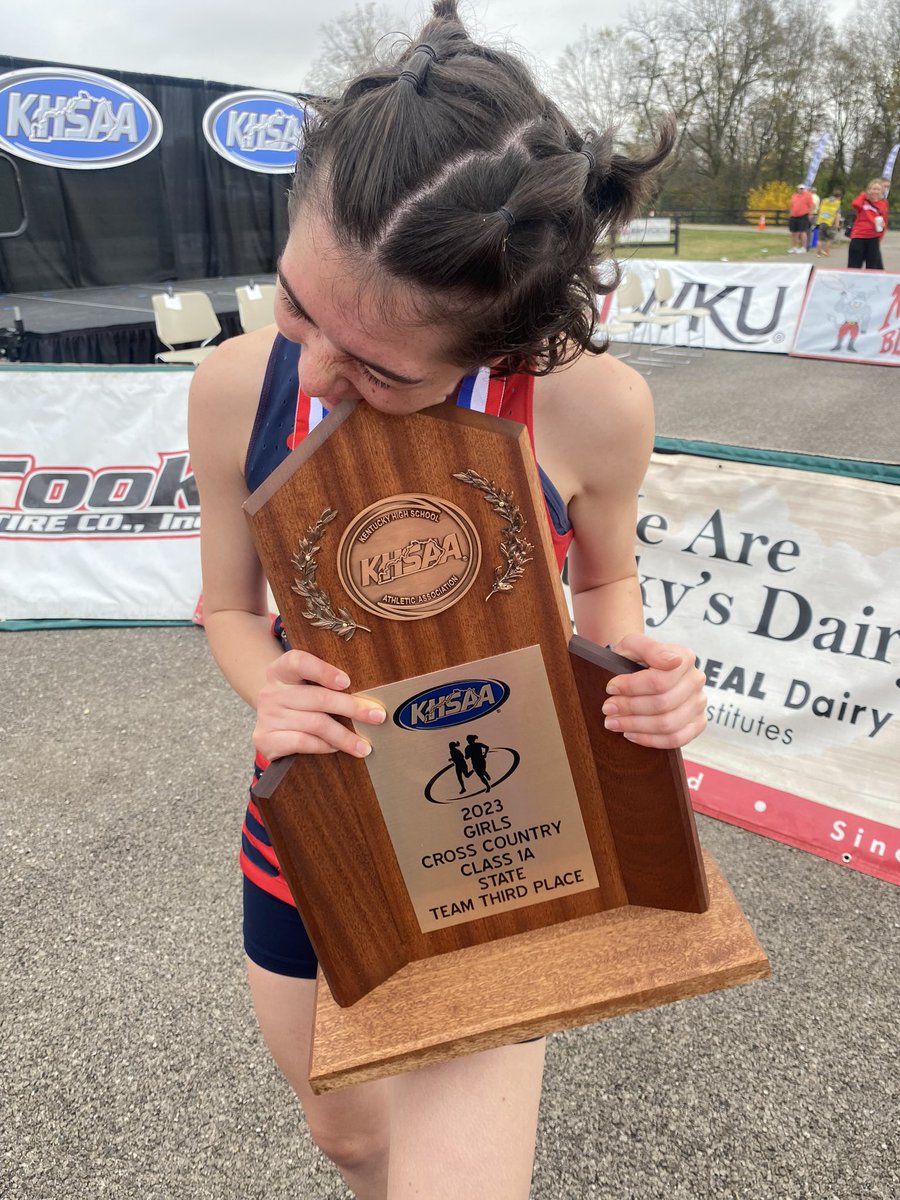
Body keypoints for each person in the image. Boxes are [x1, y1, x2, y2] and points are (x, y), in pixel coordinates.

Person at [188, 3, 708, 1196]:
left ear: (506, 341)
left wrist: (640, 681)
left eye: (379, 369)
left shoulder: (592, 409)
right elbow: (225, 609)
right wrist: (276, 685)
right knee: (349, 1141)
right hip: (311, 834)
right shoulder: (233, 390)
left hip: (505, 846)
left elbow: (607, 584)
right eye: (298, 304)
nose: (318, 367)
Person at [847, 179, 888, 270]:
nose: (875, 191)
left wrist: (880, 236)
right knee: (854, 265)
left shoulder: (883, 203)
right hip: (859, 236)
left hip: (873, 237)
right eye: (873, 189)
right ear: (868, 190)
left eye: (878, 189)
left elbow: (884, 220)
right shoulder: (863, 201)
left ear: (882, 191)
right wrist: (863, 194)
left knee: (872, 266)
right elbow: (855, 204)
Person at [815, 188, 843, 257]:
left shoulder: (824, 201)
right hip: (831, 223)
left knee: (820, 238)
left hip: (821, 221)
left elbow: (819, 210)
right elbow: (838, 214)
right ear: (839, 197)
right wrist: (837, 224)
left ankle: (818, 253)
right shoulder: (837, 203)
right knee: (829, 239)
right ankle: (826, 253)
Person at [788, 183, 815, 252]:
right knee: (794, 232)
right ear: (798, 189)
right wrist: (791, 212)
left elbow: (811, 205)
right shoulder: (795, 196)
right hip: (794, 216)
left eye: (802, 189)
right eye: (800, 189)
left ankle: (803, 247)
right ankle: (794, 247)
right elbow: (792, 205)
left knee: (803, 232)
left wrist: (810, 214)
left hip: (803, 215)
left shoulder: (807, 195)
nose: (801, 190)